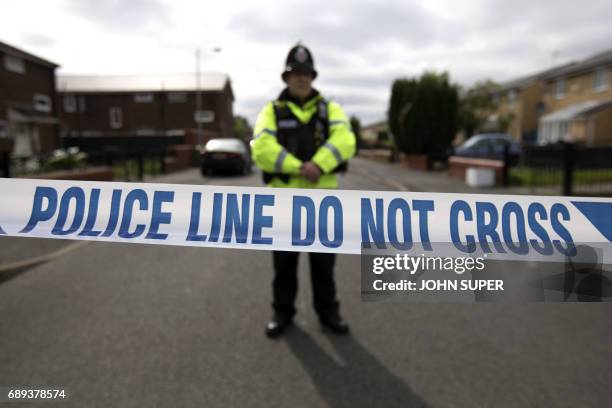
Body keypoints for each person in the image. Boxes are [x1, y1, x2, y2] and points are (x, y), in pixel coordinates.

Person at [251, 43, 356, 338]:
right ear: (286, 78)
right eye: (295, 73)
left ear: (313, 76)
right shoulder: (271, 110)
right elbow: (261, 147)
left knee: (324, 265)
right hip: (283, 204)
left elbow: (346, 140)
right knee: (284, 265)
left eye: (305, 73)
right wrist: (301, 167)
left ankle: (328, 312)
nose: (300, 78)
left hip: (323, 205)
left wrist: (319, 165)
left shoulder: (331, 109)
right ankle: (282, 312)